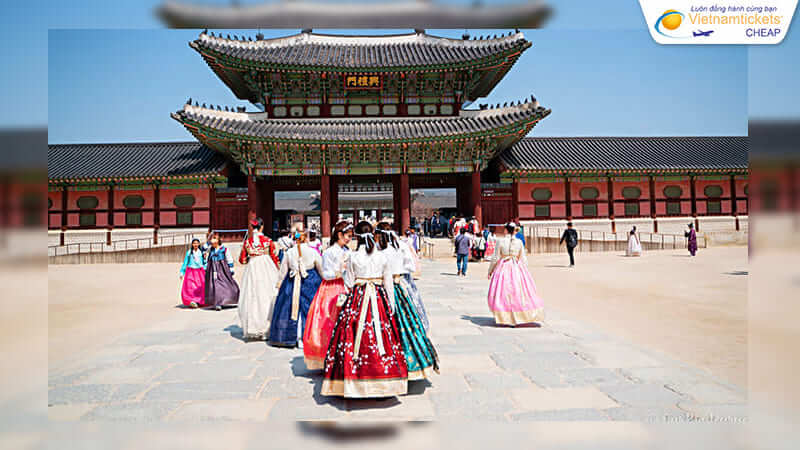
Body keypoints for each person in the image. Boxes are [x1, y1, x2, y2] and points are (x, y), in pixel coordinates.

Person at [321, 221, 407, 398]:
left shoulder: (353, 256)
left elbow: (348, 282)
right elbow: (388, 282)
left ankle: (354, 381)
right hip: (378, 298)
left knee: (353, 337)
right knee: (381, 336)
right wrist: (391, 304)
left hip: (358, 299)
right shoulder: (382, 256)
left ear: (357, 238)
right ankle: (383, 380)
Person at [377, 223, 438, 381]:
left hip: (384, 288)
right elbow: (410, 266)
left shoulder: (379, 249)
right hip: (401, 287)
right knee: (409, 323)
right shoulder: (401, 247)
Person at [303, 221, 353, 370]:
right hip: (332, 288)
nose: (350, 239)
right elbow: (325, 273)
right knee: (328, 321)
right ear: (339, 235)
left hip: (345, 286)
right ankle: (328, 356)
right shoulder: (329, 252)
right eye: (348, 236)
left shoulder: (347, 251)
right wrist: (340, 271)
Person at [269, 230, 323, 348]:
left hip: (291, 282)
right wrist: (324, 280)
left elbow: (283, 270)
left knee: (290, 308)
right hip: (310, 282)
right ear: (306, 239)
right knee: (309, 309)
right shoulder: (312, 252)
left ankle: (291, 336)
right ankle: (307, 336)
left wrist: (279, 284)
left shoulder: (289, 252)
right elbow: (320, 267)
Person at [487, 222, 545, 326]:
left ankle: (506, 316)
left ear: (505, 230)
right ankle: (518, 316)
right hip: (516, 267)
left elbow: (495, 257)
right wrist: (525, 272)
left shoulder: (500, 241)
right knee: (518, 291)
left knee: (503, 292)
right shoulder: (519, 242)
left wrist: (490, 270)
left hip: (503, 266)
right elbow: (523, 258)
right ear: (514, 231)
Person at [237, 218, 281, 340]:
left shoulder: (247, 242)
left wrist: (251, 258)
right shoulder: (268, 241)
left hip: (252, 269)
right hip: (267, 268)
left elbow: (242, 260)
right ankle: (266, 327)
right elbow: (275, 257)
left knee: (251, 296)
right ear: (262, 227)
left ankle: (253, 327)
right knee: (267, 295)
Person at [204, 232, 239, 310]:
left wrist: (231, 268)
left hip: (222, 269)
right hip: (212, 269)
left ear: (218, 240)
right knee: (215, 285)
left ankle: (231, 298)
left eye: (214, 238)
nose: (213, 241)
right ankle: (217, 303)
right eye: (212, 239)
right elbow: (204, 252)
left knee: (226, 282)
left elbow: (229, 258)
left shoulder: (224, 249)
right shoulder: (210, 249)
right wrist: (205, 268)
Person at [179, 238, 206, 308]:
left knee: (200, 287)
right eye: (194, 243)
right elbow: (185, 263)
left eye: (197, 243)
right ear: (192, 244)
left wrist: (206, 271)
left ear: (199, 244)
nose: (195, 244)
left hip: (200, 272)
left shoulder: (201, 253)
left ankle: (199, 300)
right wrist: (182, 272)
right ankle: (191, 300)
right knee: (190, 286)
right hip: (190, 271)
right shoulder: (189, 252)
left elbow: (204, 263)